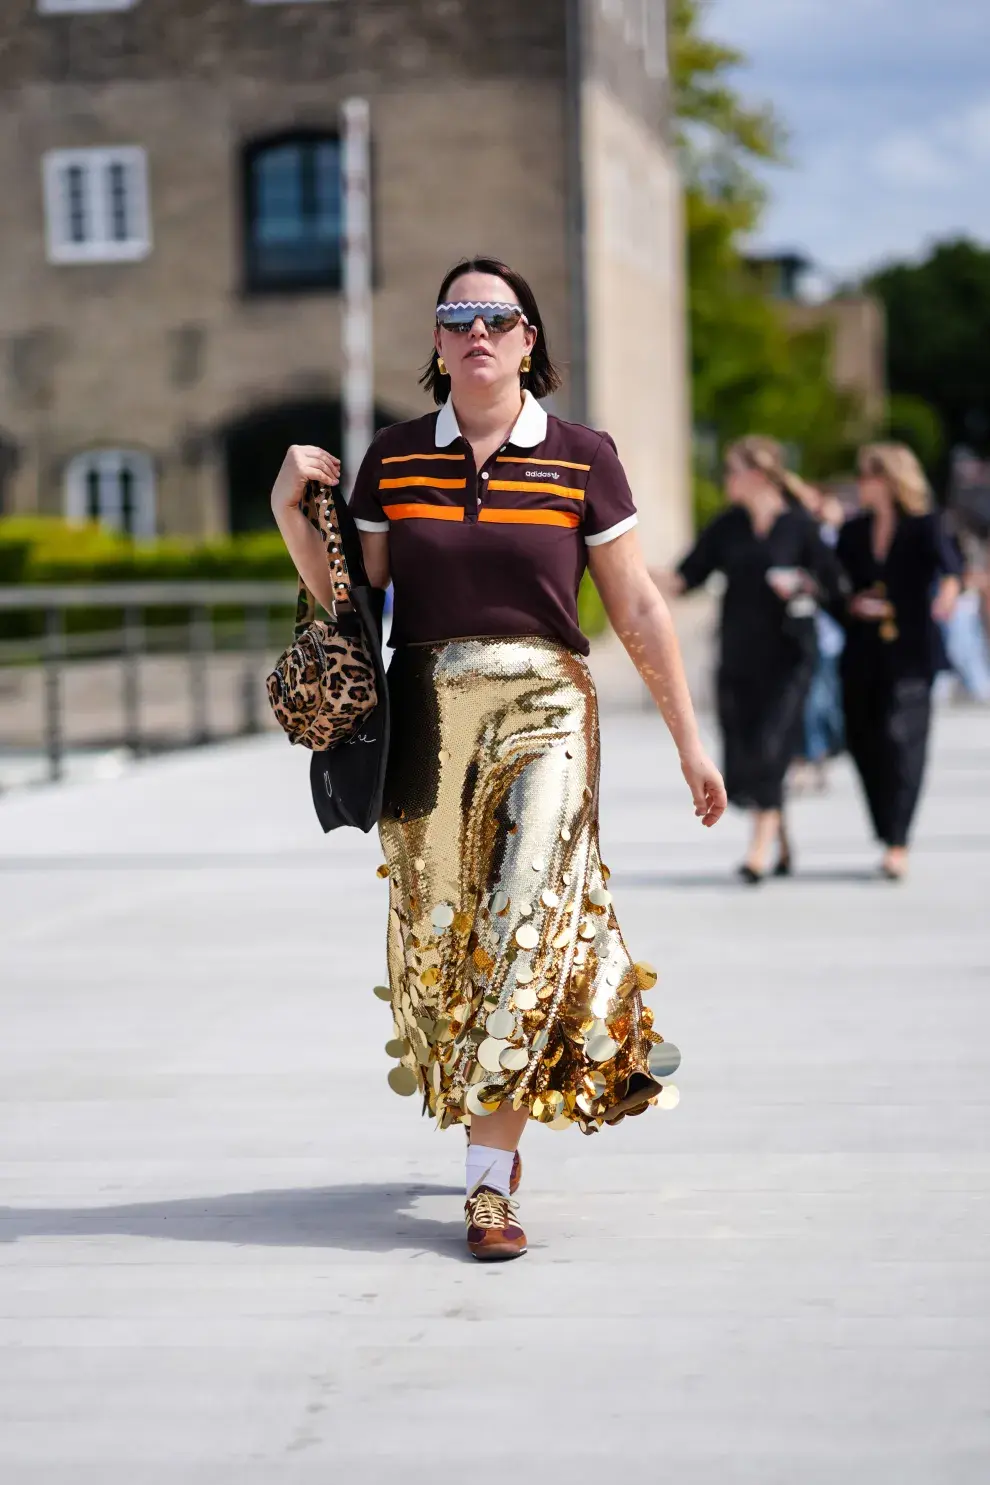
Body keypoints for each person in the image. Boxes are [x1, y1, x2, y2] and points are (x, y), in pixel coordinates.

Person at [269, 256, 725, 1261]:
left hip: (547, 704)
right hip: (429, 713)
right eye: (458, 316)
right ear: (438, 344)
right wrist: (289, 515)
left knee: (525, 916)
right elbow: (356, 600)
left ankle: (487, 1185)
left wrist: (691, 742)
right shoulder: (394, 457)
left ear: (529, 342)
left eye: (499, 317)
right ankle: (558, 1050)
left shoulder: (582, 454)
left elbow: (639, 606)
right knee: (440, 938)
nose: (478, 331)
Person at [665, 437, 844, 881]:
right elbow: (685, 577)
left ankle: (757, 853)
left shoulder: (800, 526)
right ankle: (780, 840)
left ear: (758, 475)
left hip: (789, 658)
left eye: (732, 470)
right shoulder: (728, 526)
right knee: (743, 755)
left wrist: (803, 583)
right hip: (738, 657)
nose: (725, 478)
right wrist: (618, 569)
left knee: (770, 748)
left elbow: (835, 587)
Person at [835, 443, 961, 879]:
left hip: (912, 653)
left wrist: (945, 599)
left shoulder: (925, 526)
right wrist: (852, 604)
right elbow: (835, 584)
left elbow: (951, 571)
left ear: (888, 479)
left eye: (867, 475)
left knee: (903, 742)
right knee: (864, 740)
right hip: (863, 655)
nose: (860, 483)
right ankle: (887, 828)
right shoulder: (853, 531)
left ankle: (898, 842)